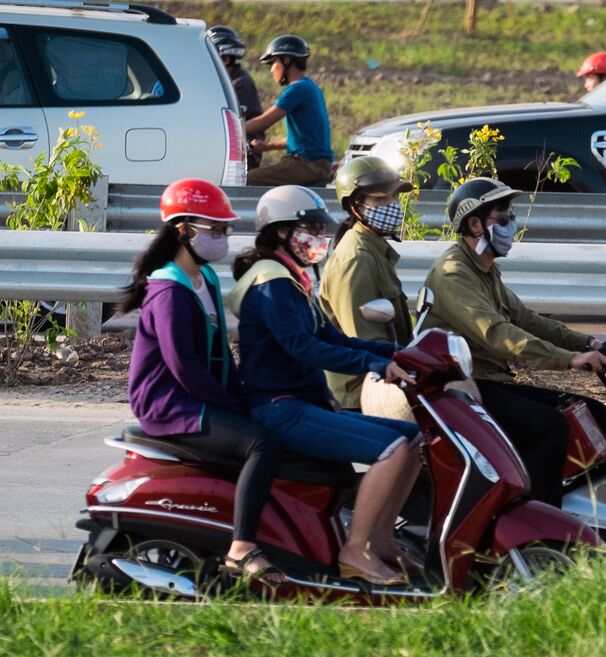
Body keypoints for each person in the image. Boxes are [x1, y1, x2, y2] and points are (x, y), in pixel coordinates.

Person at [228, 185, 421, 585]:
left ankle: (382, 542)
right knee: (392, 449)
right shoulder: (271, 283)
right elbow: (302, 347)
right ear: (282, 232)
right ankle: (355, 550)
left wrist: (396, 354)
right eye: (310, 227)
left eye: (320, 227)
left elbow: (332, 338)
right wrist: (371, 363)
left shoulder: (293, 280)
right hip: (281, 407)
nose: (319, 236)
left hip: (302, 403)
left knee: (415, 439)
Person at [119, 179, 284, 582]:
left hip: (195, 396)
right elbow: (185, 369)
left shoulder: (205, 279)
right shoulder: (168, 291)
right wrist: (232, 407)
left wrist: (243, 396)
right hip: (170, 404)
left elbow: (220, 354)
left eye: (225, 229)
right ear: (182, 230)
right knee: (263, 444)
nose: (221, 238)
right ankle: (242, 548)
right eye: (214, 229)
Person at [420, 177, 606, 507]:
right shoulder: (454, 272)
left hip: (492, 380)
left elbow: (525, 319)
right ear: (474, 223)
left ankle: (577, 506)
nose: (512, 224)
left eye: (512, 215)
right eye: (503, 216)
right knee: (550, 427)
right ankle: (533, 521)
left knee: (594, 412)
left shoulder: (484, 269)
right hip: (463, 387)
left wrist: (589, 343)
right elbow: (498, 333)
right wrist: (567, 360)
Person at [319, 156, 414, 411]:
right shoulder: (356, 259)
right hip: (361, 397)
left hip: (386, 383)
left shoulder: (374, 250)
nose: (392, 205)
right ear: (354, 207)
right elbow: (362, 339)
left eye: (394, 197)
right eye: (380, 199)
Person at [243, 35, 333, 187]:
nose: (272, 69)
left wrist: (229, 130)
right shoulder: (311, 87)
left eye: (273, 62)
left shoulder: (296, 89)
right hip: (314, 164)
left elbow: (264, 122)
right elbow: (302, 140)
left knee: (245, 180)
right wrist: (266, 146)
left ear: (286, 60)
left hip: (306, 165)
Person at [205, 25, 265, 170]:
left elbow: (223, 123)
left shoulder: (240, 84)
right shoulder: (228, 82)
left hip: (242, 156)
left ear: (225, 59)